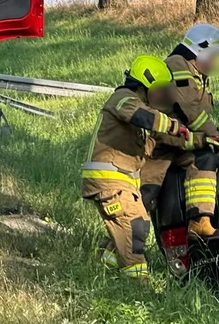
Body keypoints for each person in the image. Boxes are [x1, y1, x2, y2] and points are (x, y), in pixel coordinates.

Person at [81, 56, 196, 280]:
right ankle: (138, 284)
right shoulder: (123, 98)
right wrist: (173, 125)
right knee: (136, 228)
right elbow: (141, 116)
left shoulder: (143, 111)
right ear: (145, 85)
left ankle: (103, 268)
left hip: (121, 181)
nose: (163, 96)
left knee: (131, 228)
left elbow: (169, 139)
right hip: (109, 180)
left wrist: (202, 140)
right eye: (160, 90)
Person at [140, 23, 219, 238]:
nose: (214, 62)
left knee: (205, 159)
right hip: (158, 145)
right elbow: (191, 110)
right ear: (201, 49)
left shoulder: (195, 72)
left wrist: (210, 139)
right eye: (214, 55)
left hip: (178, 143)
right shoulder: (177, 64)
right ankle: (114, 246)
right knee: (144, 196)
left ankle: (200, 221)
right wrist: (214, 135)